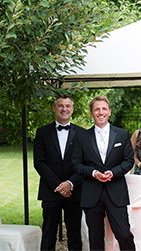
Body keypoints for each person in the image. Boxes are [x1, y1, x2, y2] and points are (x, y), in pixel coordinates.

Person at [71, 95, 135, 251]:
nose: (101, 112)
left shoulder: (122, 134)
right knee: (96, 239)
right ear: (92, 113)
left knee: (124, 234)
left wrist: (112, 173)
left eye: (104, 109)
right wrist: (93, 173)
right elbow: (76, 164)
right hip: (92, 193)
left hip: (116, 192)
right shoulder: (82, 137)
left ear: (110, 111)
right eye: (97, 109)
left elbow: (128, 161)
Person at [33, 95, 84, 251]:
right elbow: (39, 162)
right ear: (54, 108)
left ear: (72, 109)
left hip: (74, 191)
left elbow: (86, 163)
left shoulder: (83, 133)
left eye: (68, 106)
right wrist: (58, 185)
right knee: (48, 232)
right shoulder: (42, 132)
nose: (64, 109)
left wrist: (70, 183)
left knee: (75, 232)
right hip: (50, 190)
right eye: (60, 106)